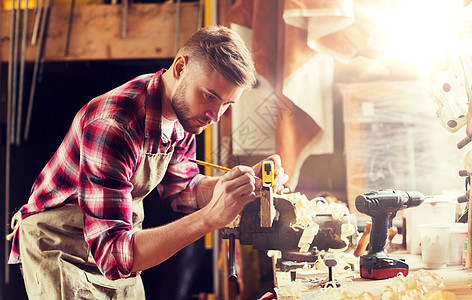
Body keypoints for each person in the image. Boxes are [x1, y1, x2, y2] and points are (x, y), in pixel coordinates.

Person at [7, 25, 288, 299]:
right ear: (180, 68)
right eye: (210, 96)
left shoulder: (182, 115)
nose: (215, 116)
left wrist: (237, 187)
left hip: (116, 245)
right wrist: (209, 219)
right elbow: (114, 255)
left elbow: (184, 187)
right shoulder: (114, 126)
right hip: (62, 249)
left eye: (227, 104)